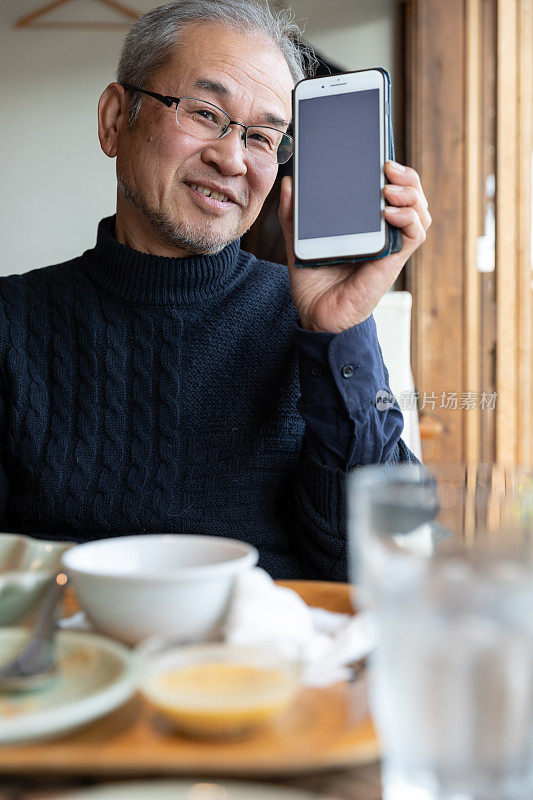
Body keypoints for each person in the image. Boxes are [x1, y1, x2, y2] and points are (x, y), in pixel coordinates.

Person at [0, 0, 431, 581]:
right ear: (113, 119)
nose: (232, 158)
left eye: (263, 137)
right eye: (205, 113)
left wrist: (337, 334)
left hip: (265, 661)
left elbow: (375, 566)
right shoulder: (12, 321)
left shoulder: (309, 327)